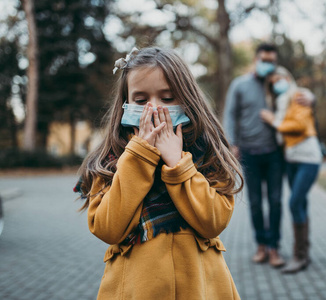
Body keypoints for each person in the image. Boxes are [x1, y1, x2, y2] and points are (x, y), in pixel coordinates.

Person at [75, 46, 243, 299]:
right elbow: (108, 228)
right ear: (126, 104)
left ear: (188, 100)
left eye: (167, 98)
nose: (154, 109)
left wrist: (177, 162)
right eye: (141, 101)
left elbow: (213, 222)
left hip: (201, 288)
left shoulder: (207, 153)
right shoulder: (110, 160)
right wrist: (139, 156)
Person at [223, 43, 285, 267]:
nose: (268, 65)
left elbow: (296, 103)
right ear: (256, 59)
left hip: (275, 153)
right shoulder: (239, 85)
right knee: (256, 202)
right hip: (249, 153)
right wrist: (232, 143)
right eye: (264, 60)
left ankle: (274, 248)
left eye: (272, 61)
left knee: (276, 201)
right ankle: (261, 245)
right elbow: (230, 115)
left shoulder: (278, 85)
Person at [260, 66, 322, 273]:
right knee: (301, 202)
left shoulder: (299, 96)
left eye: (280, 79)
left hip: (308, 158)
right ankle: (304, 254)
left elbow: (300, 125)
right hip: (291, 159)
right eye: (273, 82)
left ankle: (298, 256)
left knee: (294, 202)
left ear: (288, 77)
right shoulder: (280, 102)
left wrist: (274, 121)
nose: (277, 83)